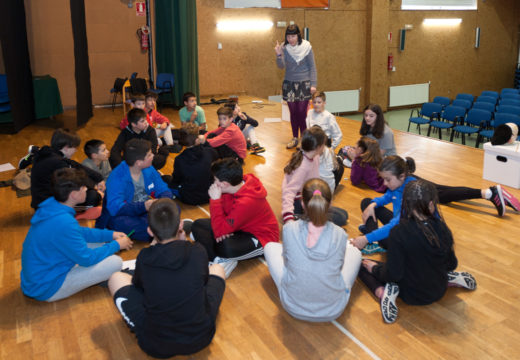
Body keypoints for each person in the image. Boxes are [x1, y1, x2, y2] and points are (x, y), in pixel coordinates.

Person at [108, 198, 226, 358]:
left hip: (156, 345)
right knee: (218, 268)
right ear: (180, 225)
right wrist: (184, 244)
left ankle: (139, 326)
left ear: (150, 231)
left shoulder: (144, 256)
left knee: (115, 278)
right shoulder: (198, 250)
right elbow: (203, 281)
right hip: (201, 338)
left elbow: (138, 287)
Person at [358, 180, 477, 324]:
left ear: (405, 204)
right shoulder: (442, 228)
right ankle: (447, 279)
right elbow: (452, 264)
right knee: (427, 265)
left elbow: (393, 274)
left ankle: (382, 292)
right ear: (432, 205)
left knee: (361, 263)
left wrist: (375, 268)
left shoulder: (398, 233)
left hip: (411, 294)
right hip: (438, 290)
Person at [351, 156, 517, 255]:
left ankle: (373, 237)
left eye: (388, 180)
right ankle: (374, 235)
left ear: (402, 176)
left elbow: (397, 223)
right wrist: (373, 204)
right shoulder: (398, 185)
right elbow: (388, 197)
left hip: (412, 233)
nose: (385, 184)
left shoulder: (413, 192)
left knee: (390, 243)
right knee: (367, 202)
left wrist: (366, 239)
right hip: (402, 224)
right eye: (384, 180)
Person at [21, 168, 133, 302]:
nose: (86, 189)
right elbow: (87, 259)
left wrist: (111, 235)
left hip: (39, 276)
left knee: (100, 244)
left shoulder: (53, 205)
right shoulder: (63, 222)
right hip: (47, 287)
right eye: (83, 187)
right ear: (74, 194)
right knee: (115, 262)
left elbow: (80, 232)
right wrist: (116, 245)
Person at [264, 178, 361, 322]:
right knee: (355, 252)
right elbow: (339, 267)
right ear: (330, 204)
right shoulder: (340, 233)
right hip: (333, 309)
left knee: (269, 247)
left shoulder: (289, 229)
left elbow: (286, 262)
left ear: (302, 204)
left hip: (292, 306)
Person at [191, 158, 279, 278]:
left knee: (224, 246)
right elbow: (223, 217)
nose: (213, 182)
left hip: (261, 238)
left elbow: (219, 229)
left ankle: (221, 258)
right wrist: (223, 229)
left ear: (224, 184)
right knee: (198, 225)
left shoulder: (246, 203)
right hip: (240, 227)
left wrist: (215, 201)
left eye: (215, 180)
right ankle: (220, 259)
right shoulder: (236, 185)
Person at [97, 139, 173, 241]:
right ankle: (164, 229)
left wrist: (163, 201)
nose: (153, 156)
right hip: (125, 214)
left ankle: (156, 231)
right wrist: (144, 206)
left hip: (145, 210)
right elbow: (116, 208)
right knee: (122, 224)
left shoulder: (149, 169)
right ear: (138, 162)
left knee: (173, 206)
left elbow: (163, 188)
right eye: (149, 155)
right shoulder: (117, 177)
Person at [282, 126, 348, 227]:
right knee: (341, 218)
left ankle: (307, 218)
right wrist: (288, 218)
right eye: (324, 144)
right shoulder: (303, 166)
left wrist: (324, 203)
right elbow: (288, 192)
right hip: (298, 203)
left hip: (309, 198)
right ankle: (299, 218)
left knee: (344, 214)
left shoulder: (315, 157)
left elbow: (316, 183)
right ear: (318, 147)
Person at [30, 128, 104, 209]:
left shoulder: (49, 152)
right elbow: (75, 181)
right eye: (75, 148)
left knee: (88, 188)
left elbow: (75, 164)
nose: (76, 150)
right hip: (47, 205)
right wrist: (96, 190)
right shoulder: (58, 163)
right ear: (66, 147)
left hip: (41, 200)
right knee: (93, 196)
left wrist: (98, 177)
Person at [275, 24, 317, 149]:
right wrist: (278, 54)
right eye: (288, 36)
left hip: (304, 83)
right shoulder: (284, 47)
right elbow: (281, 66)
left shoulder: (307, 47)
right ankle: (294, 137)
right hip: (289, 83)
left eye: (293, 36)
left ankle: (304, 139)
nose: (290, 39)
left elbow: (312, 67)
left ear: (298, 36)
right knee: (293, 113)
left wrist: (313, 84)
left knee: (301, 112)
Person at [169, 122, 218, 205]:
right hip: (208, 195)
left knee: (167, 181)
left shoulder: (179, 159)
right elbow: (215, 154)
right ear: (197, 139)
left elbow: (176, 180)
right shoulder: (208, 152)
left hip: (189, 198)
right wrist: (205, 142)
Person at [306, 91, 344, 191]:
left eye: (319, 102)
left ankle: (333, 181)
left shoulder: (328, 116)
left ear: (324, 103)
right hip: (313, 145)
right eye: (314, 102)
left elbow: (338, 135)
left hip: (325, 146)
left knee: (328, 169)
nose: (316, 105)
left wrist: (331, 149)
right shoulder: (310, 113)